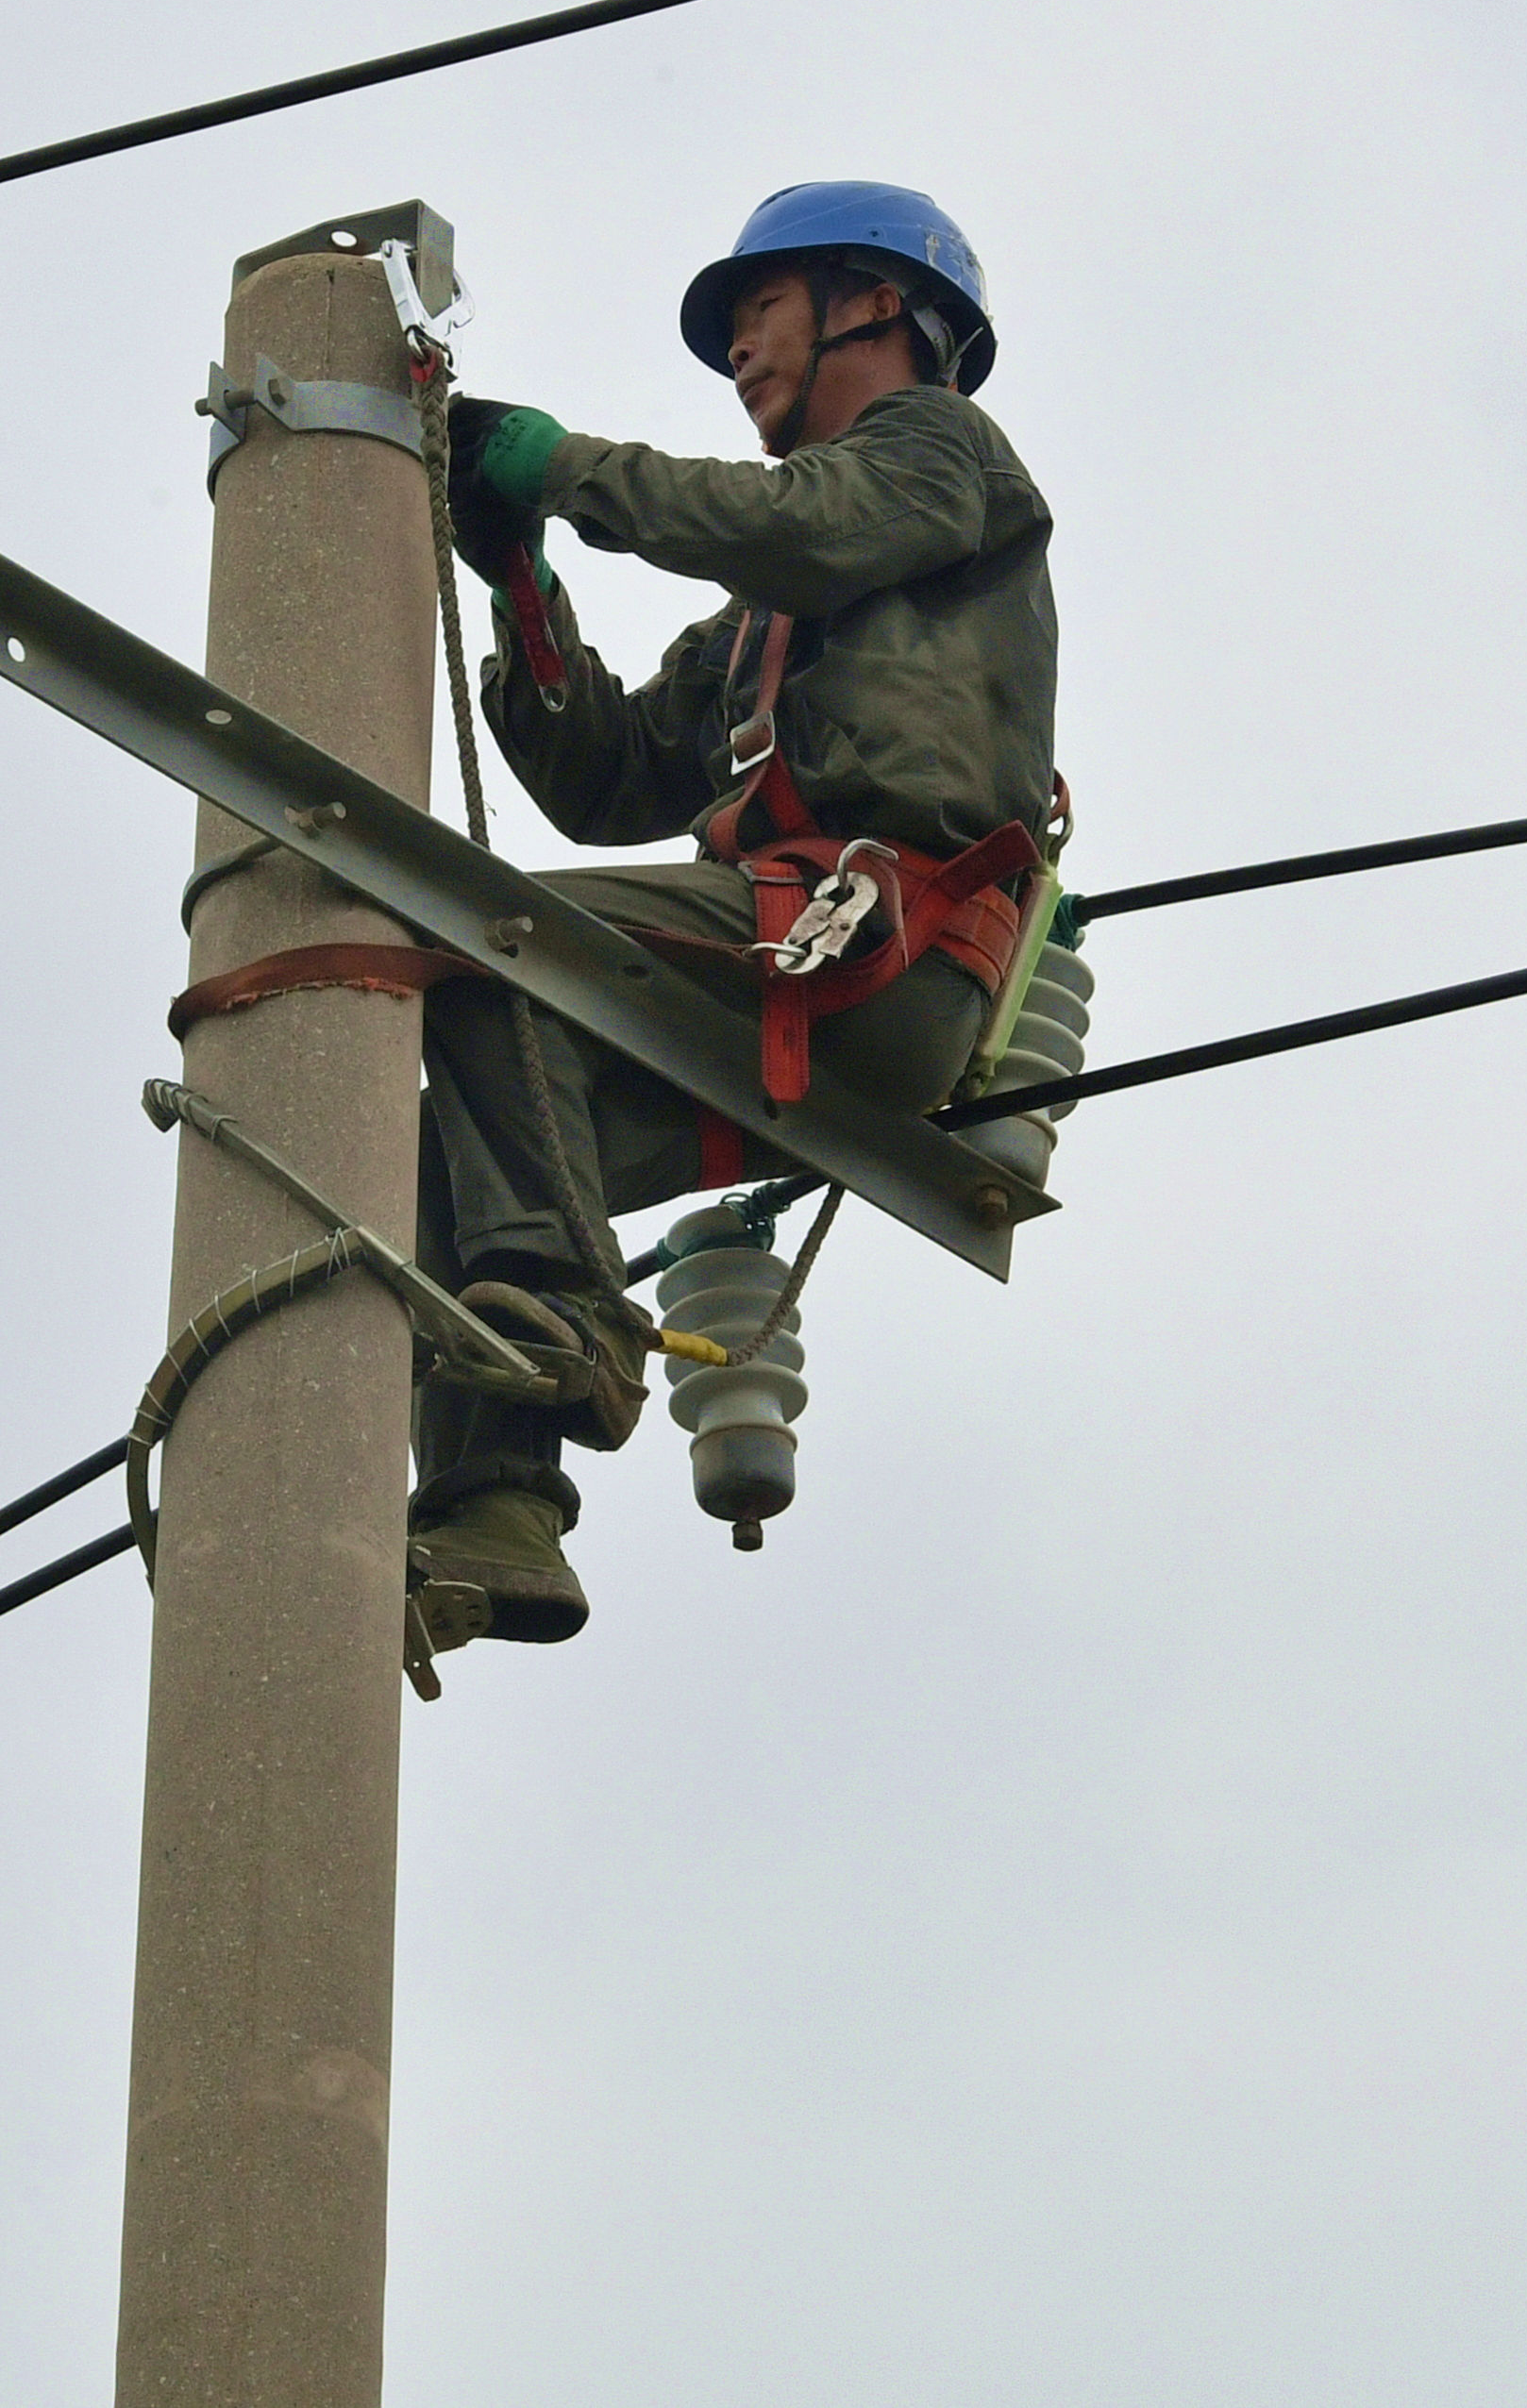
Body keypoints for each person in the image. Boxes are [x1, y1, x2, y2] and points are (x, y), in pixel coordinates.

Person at [411, 181, 1058, 1652]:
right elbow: (609, 775)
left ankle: (558, 1328)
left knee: (481, 941)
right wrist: (523, 577)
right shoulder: (761, 618)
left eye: (758, 313)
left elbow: (802, 530)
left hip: (876, 945)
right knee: (447, 1141)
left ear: (876, 303)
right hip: (785, 965)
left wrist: (563, 464)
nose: (740, 353)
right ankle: (496, 1512)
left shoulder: (938, 459)